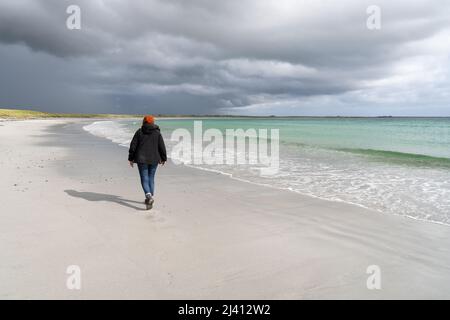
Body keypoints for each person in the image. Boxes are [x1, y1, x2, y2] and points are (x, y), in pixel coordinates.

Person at [128, 115, 167, 209]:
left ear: (144, 122)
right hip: (154, 158)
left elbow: (133, 145)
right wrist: (163, 158)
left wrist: (131, 158)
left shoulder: (139, 131)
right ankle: (150, 198)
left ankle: (148, 196)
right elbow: (162, 146)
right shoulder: (157, 133)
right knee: (151, 178)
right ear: (153, 122)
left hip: (141, 159)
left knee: (144, 178)